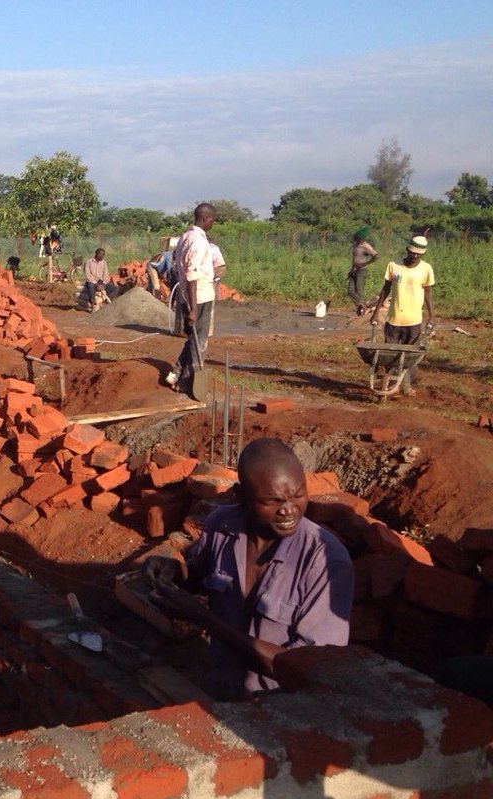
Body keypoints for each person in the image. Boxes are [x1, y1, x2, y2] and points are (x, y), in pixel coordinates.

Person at [142, 438, 354, 700]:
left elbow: (310, 668)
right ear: (241, 496)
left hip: (279, 712)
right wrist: (174, 571)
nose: (289, 510)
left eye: (299, 495)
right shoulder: (221, 524)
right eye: (272, 501)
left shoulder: (325, 561)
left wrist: (203, 619)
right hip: (221, 690)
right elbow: (203, 575)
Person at [369, 235, 435, 396]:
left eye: (418, 254)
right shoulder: (394, 265)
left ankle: (405, 385)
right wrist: (376, 312)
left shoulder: (426, 269)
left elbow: (428, 293)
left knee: (410, 357)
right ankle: (392, 384)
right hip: (394, 319)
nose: (414, 256)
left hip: (413, 320)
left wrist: (432, 316)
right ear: (407, 250)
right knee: (391, 355)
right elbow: (385, 289)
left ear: (422, 254)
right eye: (412, 252)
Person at [164, 203, 217, 392]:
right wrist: (194, 308)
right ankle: (186, 383)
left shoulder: (185, 237)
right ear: (205, 219)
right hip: (199, 297)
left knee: (192, 339)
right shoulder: (199, 241)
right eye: (212, 220)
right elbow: (192, 275)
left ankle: (176, 373)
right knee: (199, 341)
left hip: (188, 294)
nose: (212, 224)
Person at [348, 227, 380, 315]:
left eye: (357, 238)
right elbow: (354, 258)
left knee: (359, 290)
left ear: (361, 239)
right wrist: (351, 269)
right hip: (354, 269)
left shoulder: (366, 246)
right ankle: (363, 305)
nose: (355, 239)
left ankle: (362, 309)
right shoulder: (355, 245)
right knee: (350, 291)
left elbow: (376, 256)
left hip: (361, 270)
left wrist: (366, 263)